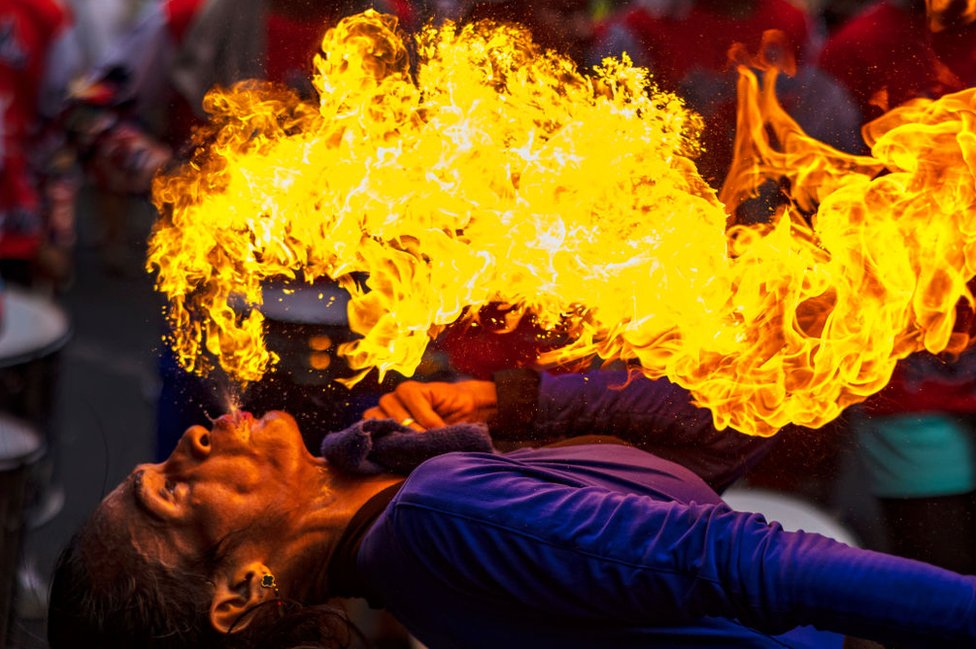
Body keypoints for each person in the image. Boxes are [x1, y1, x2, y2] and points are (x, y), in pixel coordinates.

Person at [48, 375, 976, 648]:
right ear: (244, 589)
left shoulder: (416, 499)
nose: (190, 440)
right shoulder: (440, 519)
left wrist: (511, 401)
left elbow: (721, 425)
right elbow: (750, 562)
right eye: (171, 491)